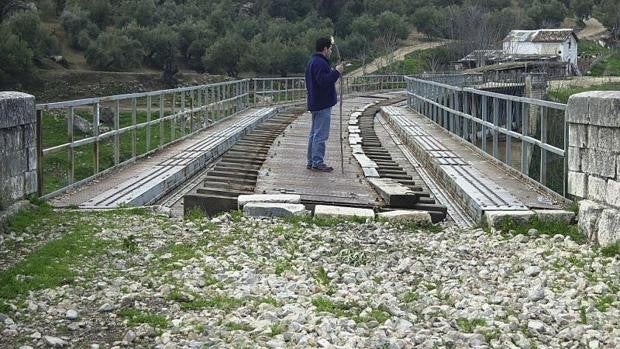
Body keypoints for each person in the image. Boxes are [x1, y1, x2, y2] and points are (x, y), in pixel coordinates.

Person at [305, 37, 344, 172]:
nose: (331, 51)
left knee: (314, 134)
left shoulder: (312, 62)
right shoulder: (320, 63)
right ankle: (317, 162)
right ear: (325, 49)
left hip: (315, 103)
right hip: (322, 104)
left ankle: (311, 161)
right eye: (330, 49)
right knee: (320, 134)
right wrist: (336, 72)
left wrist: (333, 72)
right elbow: (324, 81)